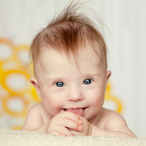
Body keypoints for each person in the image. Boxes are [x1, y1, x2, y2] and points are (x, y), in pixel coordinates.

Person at [22, 1, 136, 137]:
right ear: (39, 88)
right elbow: (20, 139)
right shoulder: (39, 114)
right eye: (59, 84)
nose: (75, 96)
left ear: (105, 82)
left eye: (87, 81)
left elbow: (132, 142)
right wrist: (45, 129)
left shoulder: (109, 119)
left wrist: (93, 131)